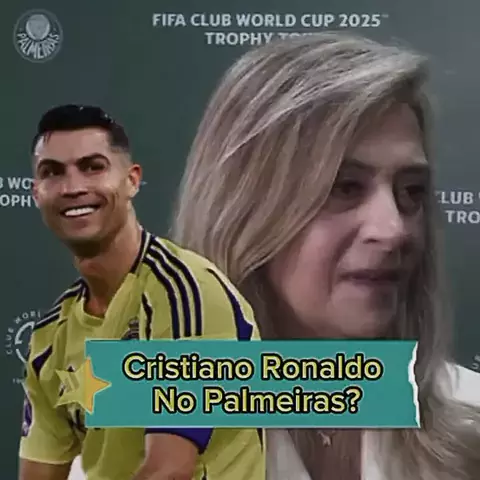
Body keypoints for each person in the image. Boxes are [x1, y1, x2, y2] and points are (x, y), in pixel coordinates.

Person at [171, 32, 480, 480]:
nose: (394, 229)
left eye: (411, 191)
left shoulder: (470, 421)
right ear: (244, 210)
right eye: (344, 187)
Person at [19, 104, 265, 480]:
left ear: (132, 181)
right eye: (52, 172)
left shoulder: (187, 291)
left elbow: (169, 471)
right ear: (37, 193)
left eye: (93, 167)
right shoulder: (51, 337)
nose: (72, 188)